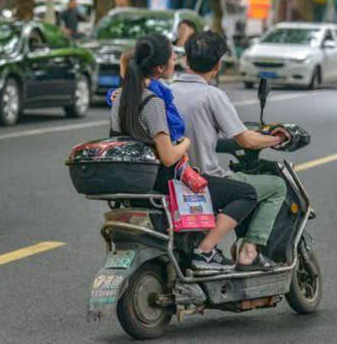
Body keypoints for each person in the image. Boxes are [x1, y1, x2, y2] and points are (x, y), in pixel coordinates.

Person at [110, 34, 258, 271]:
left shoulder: (119, 98)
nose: (176, 59)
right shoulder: (154, 101)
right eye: (172, 56)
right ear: (159, 67)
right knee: (247, 193)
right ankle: (205, 251)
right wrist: (186, 143)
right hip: (166, 178)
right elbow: (168, 156)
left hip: (134, 178)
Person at [171, 31, 288, 271]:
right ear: (218, 65)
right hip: (202, 180)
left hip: (169, 178)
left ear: (186, 60)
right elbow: (245, 140)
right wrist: (274, 139)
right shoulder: (212, 95)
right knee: (275, 187)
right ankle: (245, 250)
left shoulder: (165, 91)